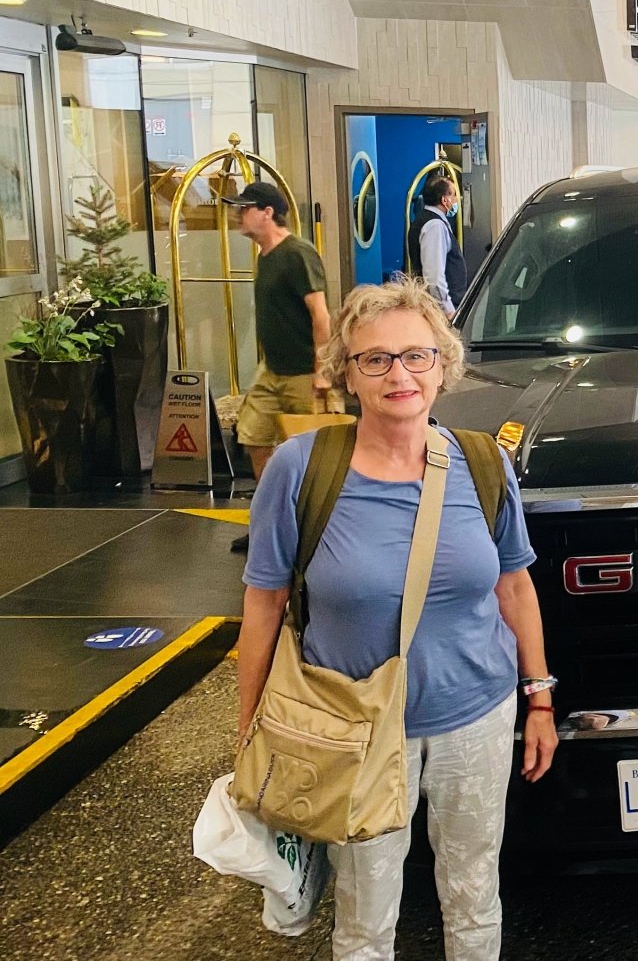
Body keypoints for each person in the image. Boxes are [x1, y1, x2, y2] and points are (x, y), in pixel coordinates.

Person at [235, 278, 559, 961]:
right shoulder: (301, 469)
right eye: (375, 359)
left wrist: (540, 698)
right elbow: (264, 604)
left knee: (474, 892)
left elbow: (514, 586)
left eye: (416, 355)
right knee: (365, 914)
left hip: (476, 716)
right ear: (347, 374)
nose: (399, 375)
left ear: (443, 367)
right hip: (352, 729)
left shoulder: (483, 463)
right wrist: (251, 729)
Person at [226, 182, 331, 553]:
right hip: (272, 369)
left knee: (311, 453)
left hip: (303, 371)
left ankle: (311, 529)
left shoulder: (297, 253)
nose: (238, 215)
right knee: (254, 436)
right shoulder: (265, 256)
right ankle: (270, 522)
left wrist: (322, 369)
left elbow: (320, 314)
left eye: (245, 208)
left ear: (267, 212)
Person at [407, 175, 468, 316]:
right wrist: (448, 310)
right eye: (453, 195)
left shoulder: (425, 220)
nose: (456, 200)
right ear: (444, 200)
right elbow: (434, 277)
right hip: (442, 311)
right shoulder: (435, 226)